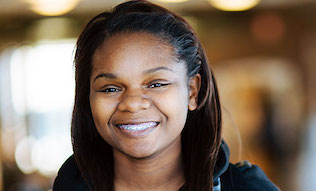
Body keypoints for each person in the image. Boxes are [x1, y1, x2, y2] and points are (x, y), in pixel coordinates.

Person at [53, 0, 280, 190]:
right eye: (110, 88)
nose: (132, 104)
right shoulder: (68, 185)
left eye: (156, 84)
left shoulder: (244, 187)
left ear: (192, 91)